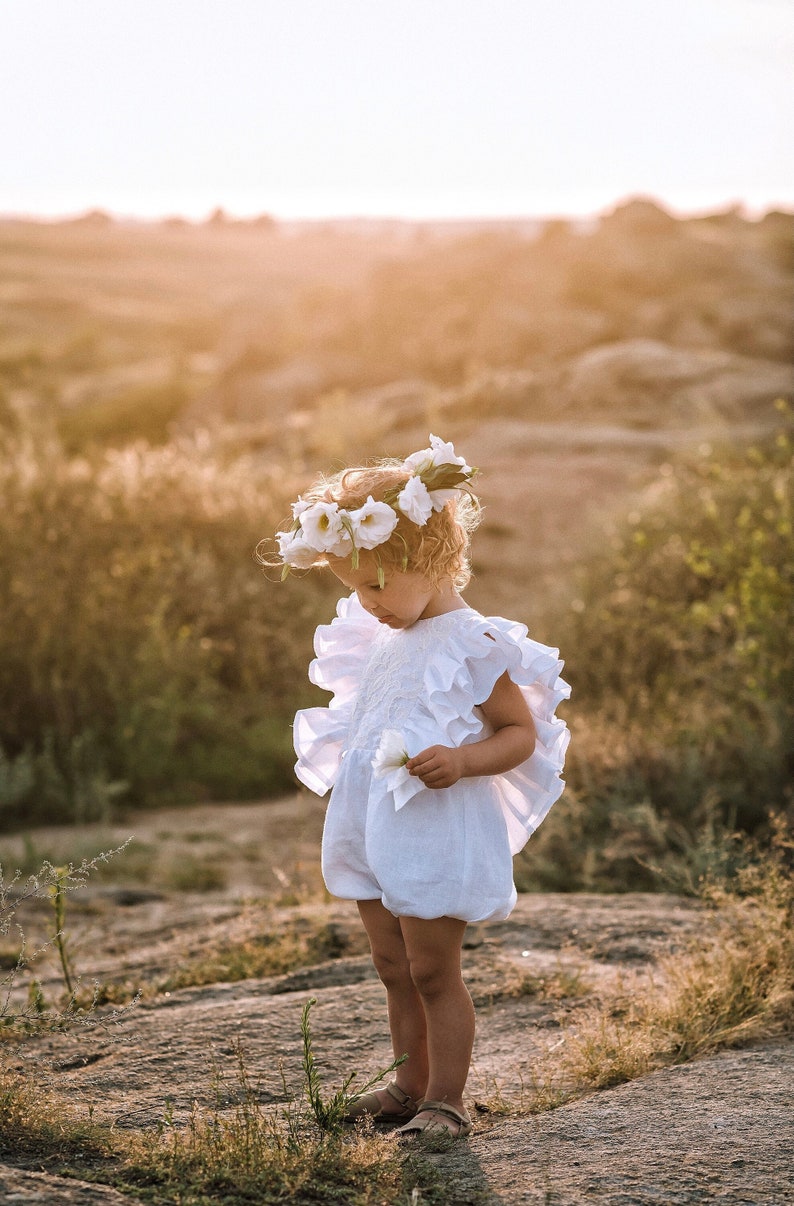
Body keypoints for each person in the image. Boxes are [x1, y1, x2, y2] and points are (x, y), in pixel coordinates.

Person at [265, 435, 570, 1139]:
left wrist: (463, 761)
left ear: (431, 559)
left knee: (433, 969)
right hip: (376, 822)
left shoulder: (474, 643)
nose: (367, 602)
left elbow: (517, 734)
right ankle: (405, 1085)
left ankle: (446, 1101)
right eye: (354, 588)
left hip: (433, 825)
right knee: (391, 963)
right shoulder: (382, 636)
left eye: (376, 584)